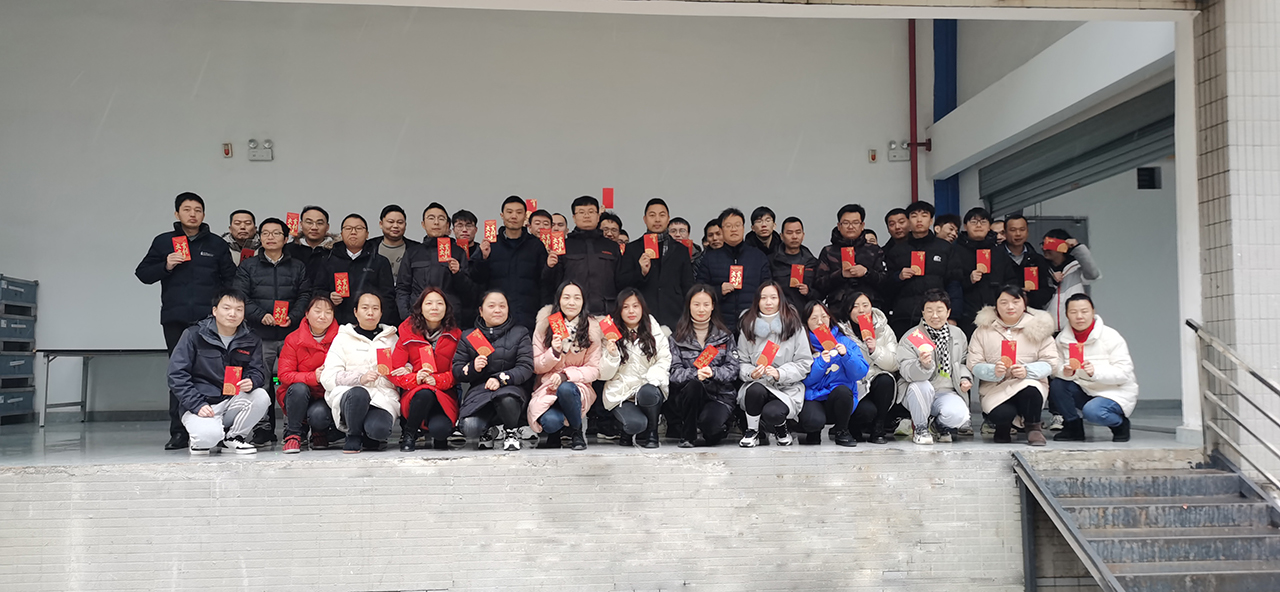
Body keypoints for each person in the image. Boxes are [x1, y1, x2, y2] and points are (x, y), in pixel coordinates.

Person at [136, 192, 237, 450]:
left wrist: (226, 312)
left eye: (198, 210)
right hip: (176, 318)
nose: (193, 214)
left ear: (204, 214)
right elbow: (143, 273)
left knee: (219, 370)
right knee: (179, 372)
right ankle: (179, 431)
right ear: (177, 213)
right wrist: (166, 265)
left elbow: (230, 280)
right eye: (187, 209)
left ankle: (222, 429)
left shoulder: (216, 244)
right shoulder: (164, 241)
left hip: (210, 321)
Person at [233, 217, 313, 445]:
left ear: (286, 238)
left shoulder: (297, 266)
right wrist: (260, 315)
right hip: (259, 336)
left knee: (291, 382)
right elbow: (241, 296)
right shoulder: (248, 266)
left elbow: (305, 295)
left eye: (276, 233)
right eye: (265, 233)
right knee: (260, 382)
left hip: (291, 336)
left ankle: (293, 427)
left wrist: (293, 317)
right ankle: (263, 429)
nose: (270, 237)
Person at [167, 289, 270, 455]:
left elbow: (257, 370)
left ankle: (234, 437)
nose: (233, 314)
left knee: (261, 396)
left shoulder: (251, 338)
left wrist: (252, 381)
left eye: (239, 309)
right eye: (227, 308)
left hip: (231, 401)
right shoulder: (194, 335)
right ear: (215, 311)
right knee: (208, 439)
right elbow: (177, 375)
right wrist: (197, 404)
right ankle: (203, 438)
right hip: (202, 404)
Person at [968, 286, 1059, 446]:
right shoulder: (983, 330)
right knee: (1002, 413)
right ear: (996, 305)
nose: (1010, 307)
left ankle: (1033, 428)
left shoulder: (1039, 328)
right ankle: (1003, 427)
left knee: (1030, 390)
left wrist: (1027, 371)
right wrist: (993, 371)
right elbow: (974, 363)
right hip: (995, 387)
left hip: (1027, 383)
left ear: (1024, 303)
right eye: (1004, 302)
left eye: (1015, 302)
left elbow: (1050, 361)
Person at [319, 292, 400, 453]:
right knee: (359, 393)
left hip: (381, 397)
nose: (370, 313)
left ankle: (370, 434)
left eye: (375, 308)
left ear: (381, 313)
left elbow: (403, 367)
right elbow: (328, 376)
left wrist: (404, 370)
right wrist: (360, 379)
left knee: (379, 430)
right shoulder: (343, 338)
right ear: (355, 312)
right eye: (365, 308)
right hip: (351, 396)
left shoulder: (391, 339)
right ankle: (353, 435)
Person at [735, 282, 814, 447]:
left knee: (773, 413)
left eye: (773, 297)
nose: (768, 302)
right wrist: (751, 373)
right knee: (755, 390)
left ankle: (782, 430)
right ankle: (752, 431)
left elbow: (804, 362)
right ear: (757, 301)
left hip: (787, 388)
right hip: (759, 384)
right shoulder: (747, 326)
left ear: (780, 300)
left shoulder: (794, 326)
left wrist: (780, 373)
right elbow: (741, 361)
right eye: (763, 298)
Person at [454, 290, 535, 451]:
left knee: (507, 399)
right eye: (491, 306)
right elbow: (457, 370)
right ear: (481, 311)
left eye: (502, 306)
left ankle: (511, 431)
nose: (497, 310)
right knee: (470, 427)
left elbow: (526, 367)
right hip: (481, 392)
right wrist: (473, 367)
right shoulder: (469, 336)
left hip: (510, 388)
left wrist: (501, 379)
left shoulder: (520, 333)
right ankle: (491, 430)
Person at [1050, 294, 1137, 442]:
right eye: (1073, 312)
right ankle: (1073, 427)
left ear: (1093, 312)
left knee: (1093, 411)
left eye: (1084, 311)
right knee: (1058, 384)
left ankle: (1119, 424)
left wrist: (1095, 372)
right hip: (1084, 388)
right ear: (1067, 315)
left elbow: (1124, 373)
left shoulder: (1111, 336)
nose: (1079, 316)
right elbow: (1055, 366)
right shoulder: (1062, 339)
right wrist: (1064, 371)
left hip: (1113, 391)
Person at [894, 289, 973, 445]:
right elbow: (905, 370)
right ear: (923, 313)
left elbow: (963, 361)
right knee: (921, 386)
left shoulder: (957, 334)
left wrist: (964, 378)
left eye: (940, 310)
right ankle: (920, 428)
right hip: (917, 391)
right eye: (929, 311)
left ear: (948, 312)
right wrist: (922, 365)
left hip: (946, 390)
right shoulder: (912, 336)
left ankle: (937, 426)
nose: (935, 315)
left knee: (959, 415)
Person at [528, 282, 600, 451]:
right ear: (558, 300)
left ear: (583, 302)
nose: (571, 302)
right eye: (566, 297)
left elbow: (594, 369)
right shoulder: (545, 326)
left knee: (566, 388)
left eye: (577, 298)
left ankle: (576, 432)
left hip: (577, 387)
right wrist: (553, 351)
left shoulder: (591, 329)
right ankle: (554, 433)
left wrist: (566, 375)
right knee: (550, 422)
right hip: (547, 387)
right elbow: (536, 366)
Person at [390, 287, 461, 452]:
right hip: (416, 394)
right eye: (429, 303)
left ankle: (435, 431)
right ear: (420, 308)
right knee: (424, 393)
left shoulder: (456, 335)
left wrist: (438, 380)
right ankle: (409, 433)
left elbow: (457, 372)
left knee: (441, 431)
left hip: (443, 394)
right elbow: (394, 371)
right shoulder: (407, 333)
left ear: (446, 308)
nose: (434, 308)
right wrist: (415, 378)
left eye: (439, 303)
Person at [668, 285, 739, 448]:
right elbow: (673, 372)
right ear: (689, 306)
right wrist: (695, 374)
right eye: (696, 304)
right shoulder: (677, 338)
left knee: (712, 430)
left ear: (713, 306)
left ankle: (719, 426)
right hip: (688, 397)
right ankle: (687, 436)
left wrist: (713, 372)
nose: (701, 309)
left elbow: (733, 368)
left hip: (719, 396)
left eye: (706, 304)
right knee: (694, 385)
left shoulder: (725, 336)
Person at [598, 289, 671, 448]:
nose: (631, 311)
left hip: (648, 387)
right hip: (622, 393)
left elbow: (664, 358)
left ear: (642, 307)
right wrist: (612, 355)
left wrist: (652, 379)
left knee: (648, 392)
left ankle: (652, 431)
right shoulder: (610, 332)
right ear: (619, 310)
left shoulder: (653, 327)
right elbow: (603, 374)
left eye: (635, 306)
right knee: (635, 424)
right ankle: (627, 430)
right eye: (625, 307)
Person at [468, 196, 550, 330]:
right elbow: (476, 279)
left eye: (519, 212)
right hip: (496, 314)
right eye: (509, 212)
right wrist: (483, 259)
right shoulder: (490, 244)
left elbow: (545, 282)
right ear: (502, 215)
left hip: (528, 313)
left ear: (525, 216)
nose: (514, 216)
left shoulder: (536, 245)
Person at [798, 301, 870, 447]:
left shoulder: (844, 341)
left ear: (830, 318)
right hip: (814, 396)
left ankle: (842, 431)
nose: (820, 322)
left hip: (839, 397)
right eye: (814, 318)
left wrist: (846, 355)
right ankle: (813, 432)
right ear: (806, 322)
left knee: (844, 392)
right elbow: (805, 381)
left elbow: (860, 372)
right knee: (812, 421)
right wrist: (820, 363)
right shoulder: (802, 343)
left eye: (824, 317)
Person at [831, 291, 899, 443]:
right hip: (854, 384)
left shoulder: (884, 329)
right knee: (866, 412)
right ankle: (852, 426)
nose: (861, 310)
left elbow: (894, 364)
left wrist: (875, 350)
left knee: (886, 380)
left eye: (865, 305)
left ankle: (879, 428)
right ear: (848, 309)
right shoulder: (841, 332)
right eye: (855, 306)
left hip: (876, 381)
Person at [617, 198, 695, 329]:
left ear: (668, 219)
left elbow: (687, 285)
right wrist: (640, 272)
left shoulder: (680, 250)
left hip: (674, 315)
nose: (657, 219)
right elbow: (622, 283)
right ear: (645, 219)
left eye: (662, 215)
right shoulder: (632, 249)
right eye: (652, 215)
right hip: (642, 315)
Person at [396, 202, 476, 329]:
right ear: (423, 224)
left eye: (441, 219)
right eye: (431, 218)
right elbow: (402, 288)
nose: (436, 222)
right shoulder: (413, 253)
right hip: (417, 319)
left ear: (448, 225)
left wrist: (458, 273)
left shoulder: (458, 252)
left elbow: (468, 292)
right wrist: (407, 316)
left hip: (450, 320)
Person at [277, 295, 340, 454]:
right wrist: (313, 377)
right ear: (306, 314)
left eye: (328, 312)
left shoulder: (341, 338)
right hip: (297, 395)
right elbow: (284, 375)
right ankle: (293, 434)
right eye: (317, 311)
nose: (323, 316)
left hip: (324, 395)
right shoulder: (293, 339)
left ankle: (320, 432)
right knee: (299, 388)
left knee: (319, 414)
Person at [883, 201, 954, 337]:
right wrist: (899, 277)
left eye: (924, 215)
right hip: (905, 316)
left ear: (931, 220)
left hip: (936, 315)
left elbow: (953, 282)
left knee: (935, 350)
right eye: (914, 216)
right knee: (906, 349)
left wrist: (953, 315)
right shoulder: (896, 251)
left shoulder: (945, 248)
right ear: (908, 221)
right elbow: (886, 285)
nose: (919, 220)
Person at [695, 208, 772, 334]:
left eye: (737, 225)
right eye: (728, 226)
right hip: (720, 325)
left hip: (751, 324)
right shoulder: (710, 258)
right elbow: (699, 290)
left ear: (744, 228)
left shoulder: (758, 257)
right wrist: (719, 291)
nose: (734, 229)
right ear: (721, 230)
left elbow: (768, 288)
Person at [948, 207, 1019, 336]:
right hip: (967, 314)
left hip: (997, 313)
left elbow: (1010, 279)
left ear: (989, 226)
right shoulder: (956, 250)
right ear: (965, 226)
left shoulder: (999, 251)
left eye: (983, 222)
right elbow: (950, 282)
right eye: (974, 222)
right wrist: (969, 280)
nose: (979, 225)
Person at [319, 214, 396, 327]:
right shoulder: (328, 260)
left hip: (370, 324)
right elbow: (317, 291)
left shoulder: (380, 262)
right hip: (336, 324)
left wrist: (379, 324)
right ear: (342, 234)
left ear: (367, 234)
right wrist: (329, 296)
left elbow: (388, 297)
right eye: (348, 228)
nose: (353, 232)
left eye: (359, 228)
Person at [549, 195, 621, 317]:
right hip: (572, 314)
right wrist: (549, 267)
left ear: (598, 216)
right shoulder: (563, 245)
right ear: (574, 217)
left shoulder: (611, 246)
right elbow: (552, 282)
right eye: (581, 212)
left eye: (591, 212)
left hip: (607, 314)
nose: (586, 216)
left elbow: (621, 281)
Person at [815, 204, 884, 308]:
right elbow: (819, 284)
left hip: (869, 306)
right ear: (839, 226)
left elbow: (885, 282)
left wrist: (866, 273)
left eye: (855, 223)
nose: (850, 227)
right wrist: (840, 275)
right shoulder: (829, 251)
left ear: (862, 225)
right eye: (846, 223)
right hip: (838, 308)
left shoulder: (874, 250)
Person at [1041, 229, 1102, 332]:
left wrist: (1077, 248)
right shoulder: (1040, 267)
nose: (1044, 248)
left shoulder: (1076, 267)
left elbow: (1093, 274)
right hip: (1047, 329)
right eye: (1043, 244)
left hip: (1073, 328)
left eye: (1050, 245)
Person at [1002, 215, 1054, 309]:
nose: (1018, 234)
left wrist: (1029, 297)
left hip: (1032, 311)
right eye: (1013, 230)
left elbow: (1047, 290)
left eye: (1022, 229)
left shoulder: (1038, 259)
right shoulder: (995, 257)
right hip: (1003, 310)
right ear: (1005, 233)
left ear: (1027, 232)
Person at [770, 216, 822, 311]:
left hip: (805, 314)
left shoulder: (812, 262)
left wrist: (808, 292)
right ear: (781, 236)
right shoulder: (772, 261)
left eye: (798, 232)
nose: (794, 236)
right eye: (789, 233)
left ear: (803, 235)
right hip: (780, 312)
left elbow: (821, 293)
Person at [285, 205, 339, 282]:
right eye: (309, 222)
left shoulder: (337, 251)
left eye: (319, 223)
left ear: (327, 227)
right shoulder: (288, 250)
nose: (314, 227)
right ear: (301, 224)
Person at [367, 205, 420, 280]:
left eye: (400, 222)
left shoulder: (416, 249)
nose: (395, 226)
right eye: (390, 222)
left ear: (405, 225)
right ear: (381, 224)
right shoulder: (368, 247)